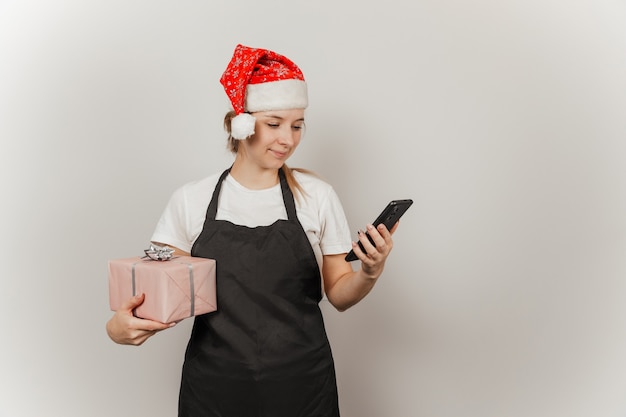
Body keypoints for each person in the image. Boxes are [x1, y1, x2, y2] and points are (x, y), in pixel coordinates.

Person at [106, 44, 400, 417]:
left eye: (297, 126)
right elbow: (161, 297)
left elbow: (339, 294)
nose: (288, 139)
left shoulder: (317, 196)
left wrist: (370, 273)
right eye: (274, 124)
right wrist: (118, 328)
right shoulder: (191, 200)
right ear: (240, 123)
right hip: (214, 390)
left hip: (303, 387)